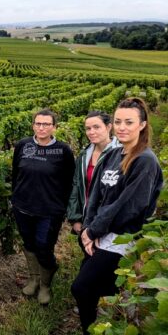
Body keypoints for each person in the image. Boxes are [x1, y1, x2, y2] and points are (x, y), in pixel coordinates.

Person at [71, 98, 162, 335]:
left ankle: (93, 330)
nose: (122, 127)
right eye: (118, 121)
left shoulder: (145, 161)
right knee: (102, 291)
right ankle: (103, 326)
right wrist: (87, 230)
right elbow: (95, 197)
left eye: (129, 122)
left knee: (82, 288)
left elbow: (128, 206)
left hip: (122, 238)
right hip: (99, 233)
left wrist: (93, 231)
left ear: (142, 125)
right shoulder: (113, 155)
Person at [11, 109, 75, 305]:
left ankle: (46, 285)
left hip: (49, 211)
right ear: (33, 126)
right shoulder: (23, 145)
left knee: (44, 248)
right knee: (29, 244)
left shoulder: (63, 151)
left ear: (54, 127)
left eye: (46, 124)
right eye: (38, 123)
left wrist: (61, 207)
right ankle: (34, 278)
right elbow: (15, 174)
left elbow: (69, 181)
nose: (41, 127)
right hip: (23, 208)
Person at [67, 111, 120, 250]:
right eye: (88, 128)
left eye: (96, 127)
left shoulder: (121, 154)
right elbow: (76, 186)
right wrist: (75, 218)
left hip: (109, 224)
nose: (91, 132)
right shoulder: (84, 155)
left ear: (109, 127)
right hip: (86, 221)